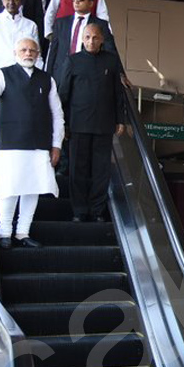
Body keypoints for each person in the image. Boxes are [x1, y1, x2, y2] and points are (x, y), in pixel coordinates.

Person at [0, 38, 63, 249]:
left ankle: (23, 232)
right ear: (15, 52)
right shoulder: (2, 74)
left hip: (39, 144)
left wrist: (56, 144)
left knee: (33, 188)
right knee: (10, 188)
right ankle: (4, 233)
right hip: (10, 142)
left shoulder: (47, 79)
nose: (28, 53)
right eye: (23, 50)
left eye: (32, 50)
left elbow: (57, 114)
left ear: (39, 54)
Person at [59, 24, 126, 223]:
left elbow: (117, 93)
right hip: (78, 125)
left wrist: (120, 119)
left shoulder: (112, 61)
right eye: (87, 37)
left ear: (102, 39)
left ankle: (97, 210)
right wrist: (63, 124)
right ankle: (79, 210)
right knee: (77, 170)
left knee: (101, 170)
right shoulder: (73, 60)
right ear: (81, 39)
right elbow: (64, 93)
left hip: (104, 125)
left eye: (95, 38)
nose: (91, 41)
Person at [47, 0, 119, 85]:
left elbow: (110, 50)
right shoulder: (61, 23)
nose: (76, 2)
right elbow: (53, 51)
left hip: (86, 74)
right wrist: (48, 75)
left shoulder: (101, 24)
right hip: (60, 73)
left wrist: (120, 74)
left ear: (91, 3)